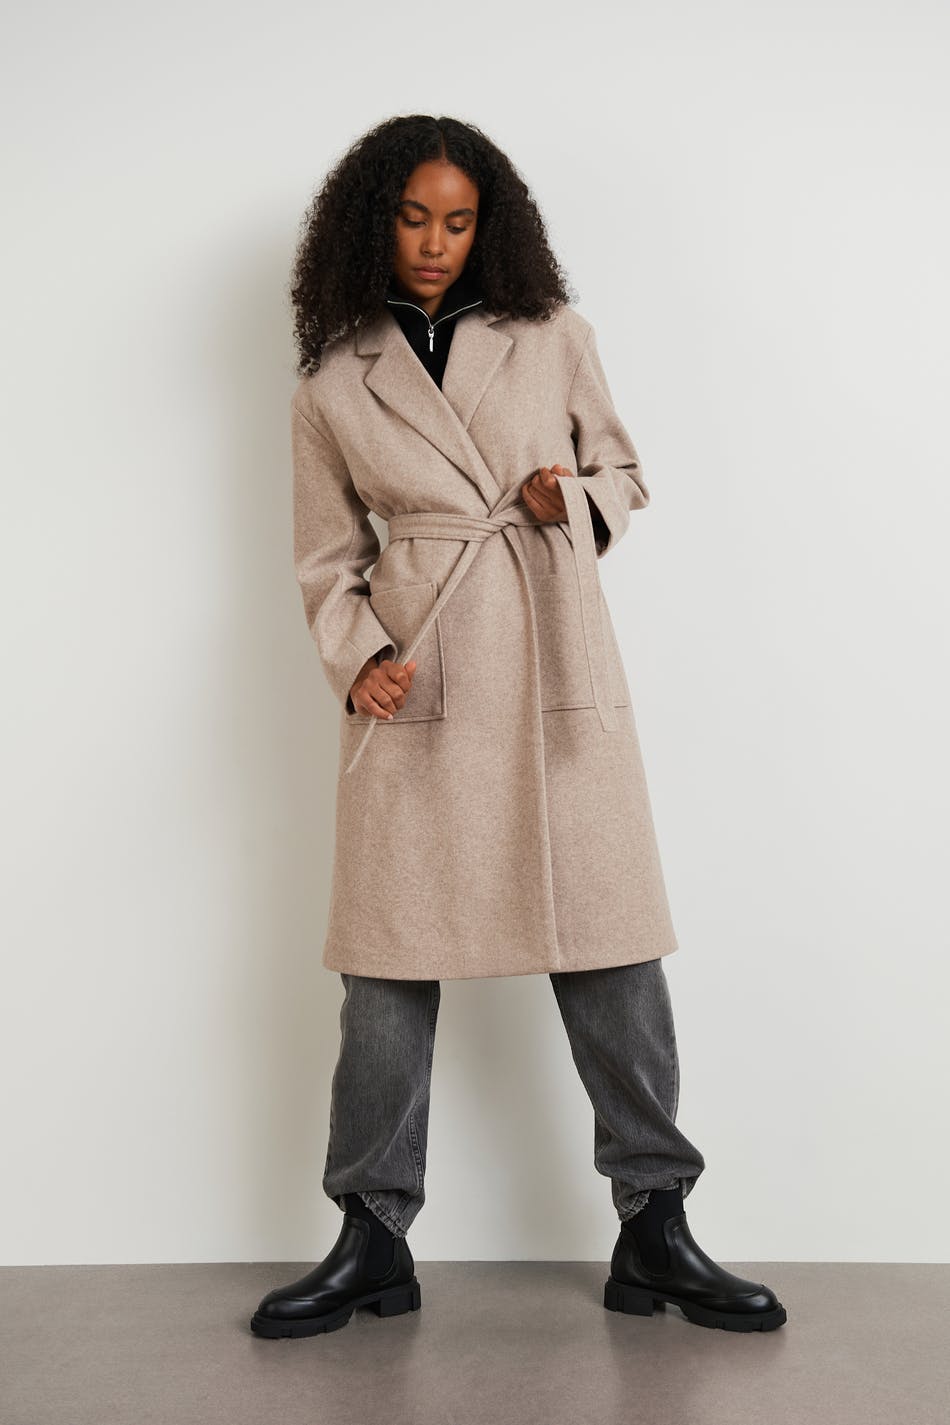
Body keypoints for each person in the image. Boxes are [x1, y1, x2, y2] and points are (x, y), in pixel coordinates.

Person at [250, 115, 787, 1339]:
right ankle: (370, 1233)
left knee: (612, 951)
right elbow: (325, 558)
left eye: (457, 220)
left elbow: (625, 474)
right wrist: (358, 659)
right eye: (412, 217)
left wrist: (571, 498)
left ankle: (654, 1224)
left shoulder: (552, 338)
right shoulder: (332, 383)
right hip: (420, 674)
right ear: (371, 222)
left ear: (487, 227)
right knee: (386, 969)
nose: (434, 242)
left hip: (551, 666)